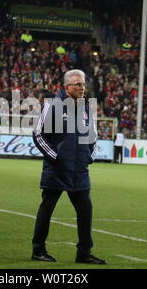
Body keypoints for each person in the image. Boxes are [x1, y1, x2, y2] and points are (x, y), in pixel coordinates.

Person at [31, 69, 106, 264]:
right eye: (78, 85)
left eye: (83, 84)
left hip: (80, 169)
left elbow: (93, 136)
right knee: (47, 209)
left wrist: (90, 156)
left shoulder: (87, 108)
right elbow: (38, 135)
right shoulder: (53, 106)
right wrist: (55, 156)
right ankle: (38, 250)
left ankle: (84, 253)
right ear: (66, 87)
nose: (82, 88)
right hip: (57, 169)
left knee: (86, 211)